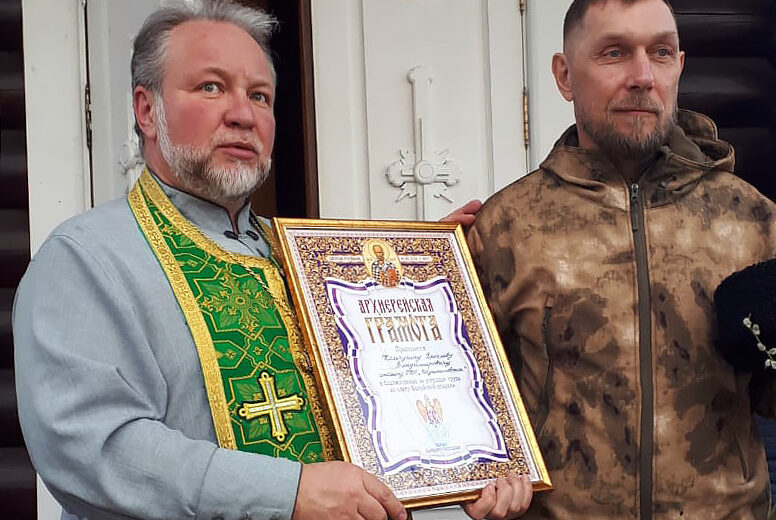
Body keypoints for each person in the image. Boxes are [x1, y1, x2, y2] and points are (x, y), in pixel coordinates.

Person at [13, 2, 526, 519]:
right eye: (211, 87)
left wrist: (419, 270)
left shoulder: (312, 259)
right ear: (147, 111)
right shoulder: (86, 257)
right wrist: (288, 492)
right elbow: (91, 445)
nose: (243, 114)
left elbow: (377, 412)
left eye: (259, 96)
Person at [465, 0, 776, 518]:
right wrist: (480, 476)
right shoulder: (506, 228)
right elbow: (468, 402)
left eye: (660, 52)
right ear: (565, 75)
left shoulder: (751, 220)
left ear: (679, 67)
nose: (643, 76)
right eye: (614, 52)